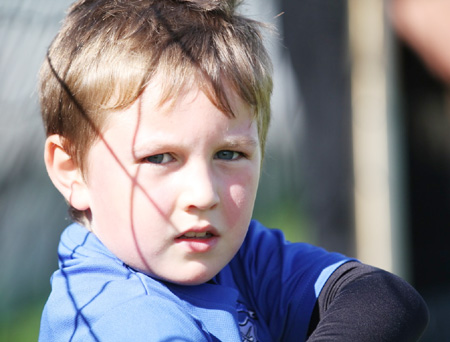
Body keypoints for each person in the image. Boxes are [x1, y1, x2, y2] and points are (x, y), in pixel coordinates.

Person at [38, 0, 428, 341]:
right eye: (159, 158)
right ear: (72, 170)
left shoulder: (235, 256)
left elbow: (386, 299)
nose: (203, 194)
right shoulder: (120, 321)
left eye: (228, 153)